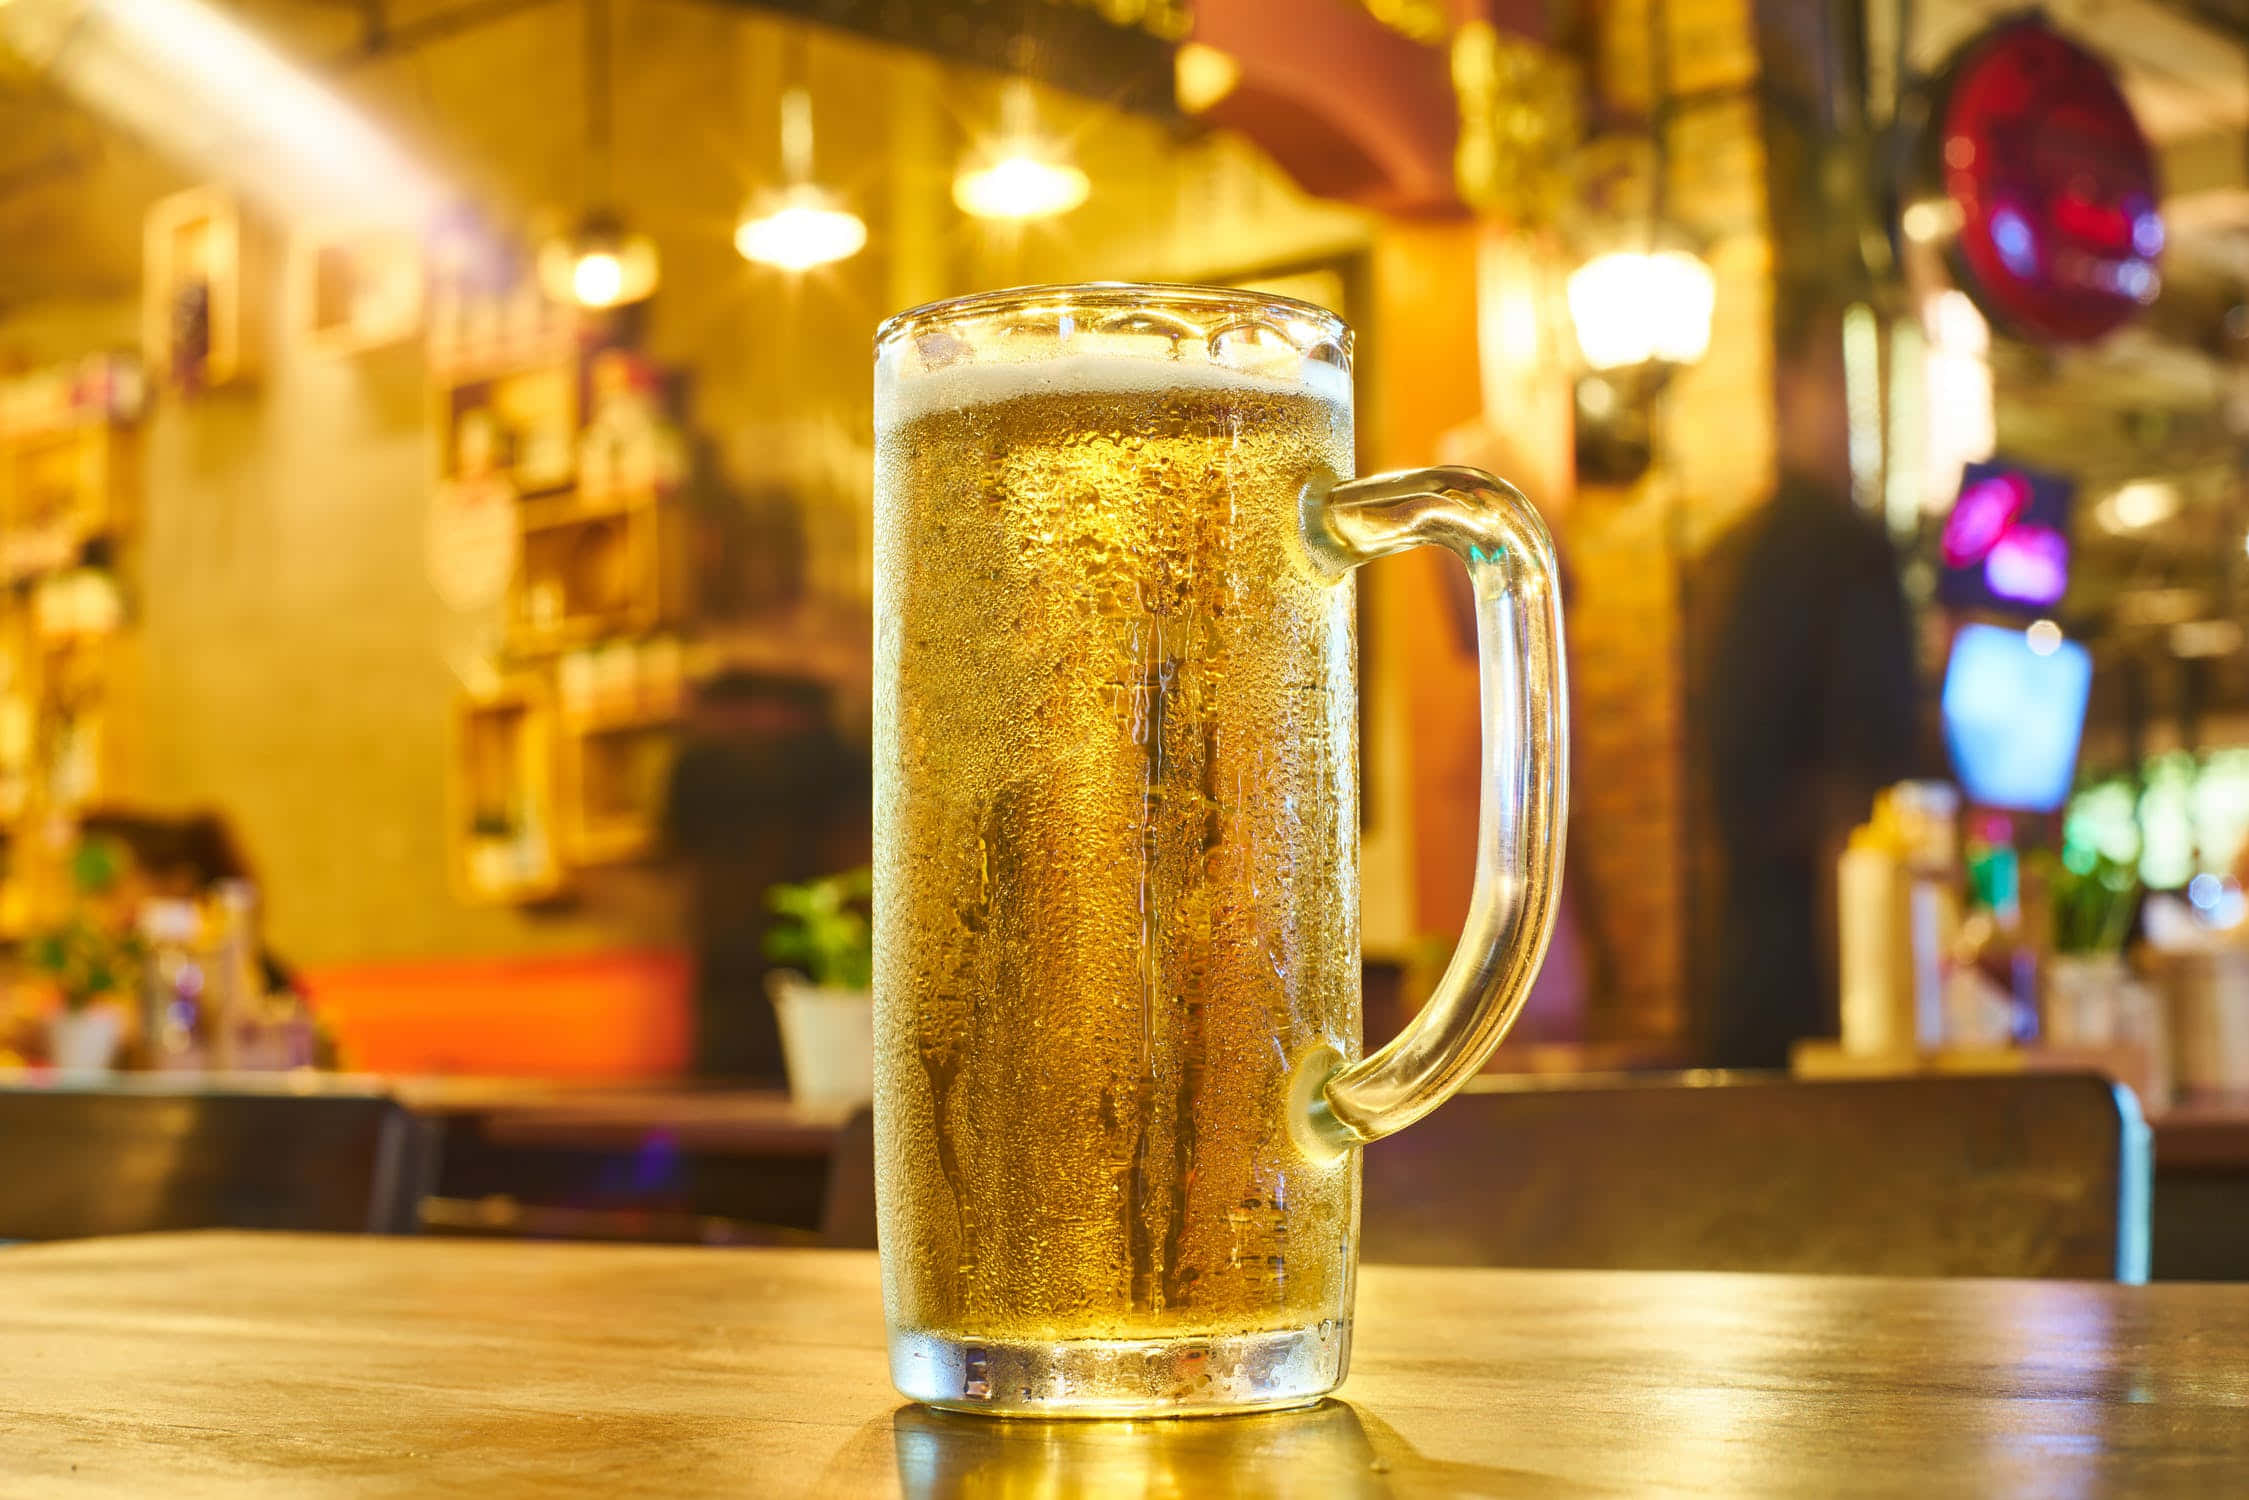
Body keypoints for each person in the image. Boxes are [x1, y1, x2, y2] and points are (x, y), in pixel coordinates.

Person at [1695, 299, 1922, 1068]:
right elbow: (1860, 793)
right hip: (1833, 990)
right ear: (1788, 389)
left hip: (1749, 982)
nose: (1863, 408)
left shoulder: (1744, 554)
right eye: (1843, 379)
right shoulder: (1842, 552)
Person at [663, 670, 868, 1079]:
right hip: (771, 954)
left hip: (762, 949)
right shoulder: (828, 755)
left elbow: (674, 844)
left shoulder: (701, 763)